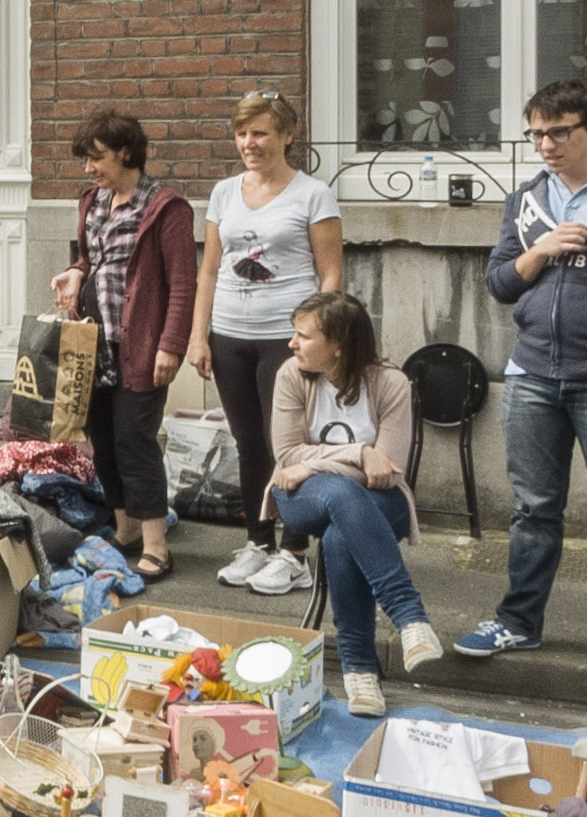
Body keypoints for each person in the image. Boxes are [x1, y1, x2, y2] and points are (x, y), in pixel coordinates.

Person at [187, 91, 344, 595]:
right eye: (241, 133)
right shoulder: (223, 192)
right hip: (230, 335)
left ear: (287, 136)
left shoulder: (312, 194)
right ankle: (258, 541)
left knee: (292, 445)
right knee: (249, 442)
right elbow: (208, 269)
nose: (249, 143)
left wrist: (319, 339)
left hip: (287, 339)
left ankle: (294, 552)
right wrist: (198, 336)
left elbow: (331, 273)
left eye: (260, 133)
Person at [265, 291, 441, 716]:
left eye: (304, 336)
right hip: (300, 498)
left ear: (338, 346)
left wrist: (316, 464)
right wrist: (359, 453)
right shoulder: (291, 375)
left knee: (342, 535)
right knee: (342, 494)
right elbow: (286, 456)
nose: (292, 343)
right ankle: (409, 618)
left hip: (382, 503)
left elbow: (386, 471)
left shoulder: (391, 382)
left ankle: (360, 671)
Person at [461, 77, 587, 658]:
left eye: (558, 131)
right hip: (532, 374)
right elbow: (499, 284)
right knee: (534, 509)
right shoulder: (528, 200)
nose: (545, 145)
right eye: (537, 133)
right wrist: (542, 250)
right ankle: (519, 622)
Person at [51, 110, 197, 580]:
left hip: (141, 346)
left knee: (136, 442)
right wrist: (75, 272)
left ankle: (158, 544)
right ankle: (126, 528)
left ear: (126, 152)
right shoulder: (93, 201)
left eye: (96, 158)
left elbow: (183, 283)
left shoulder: (166, 208)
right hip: (92, 345)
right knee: (104, 442)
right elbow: (89, 257)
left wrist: (171, 345)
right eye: (86, 160)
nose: (88, 168)